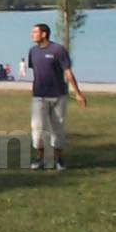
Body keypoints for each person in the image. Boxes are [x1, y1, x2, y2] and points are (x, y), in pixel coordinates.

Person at [28, 23, 86, 172]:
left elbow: (68, 72)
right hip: (39, 96)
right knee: (37, 128)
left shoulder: (58, 50)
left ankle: (59, 160)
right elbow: (36, 71)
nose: (32, 35)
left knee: (57, 128)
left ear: (44, 34)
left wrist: (78, 93)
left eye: (35, 32)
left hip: (58, 96)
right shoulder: (33, 51)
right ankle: (41, 159)